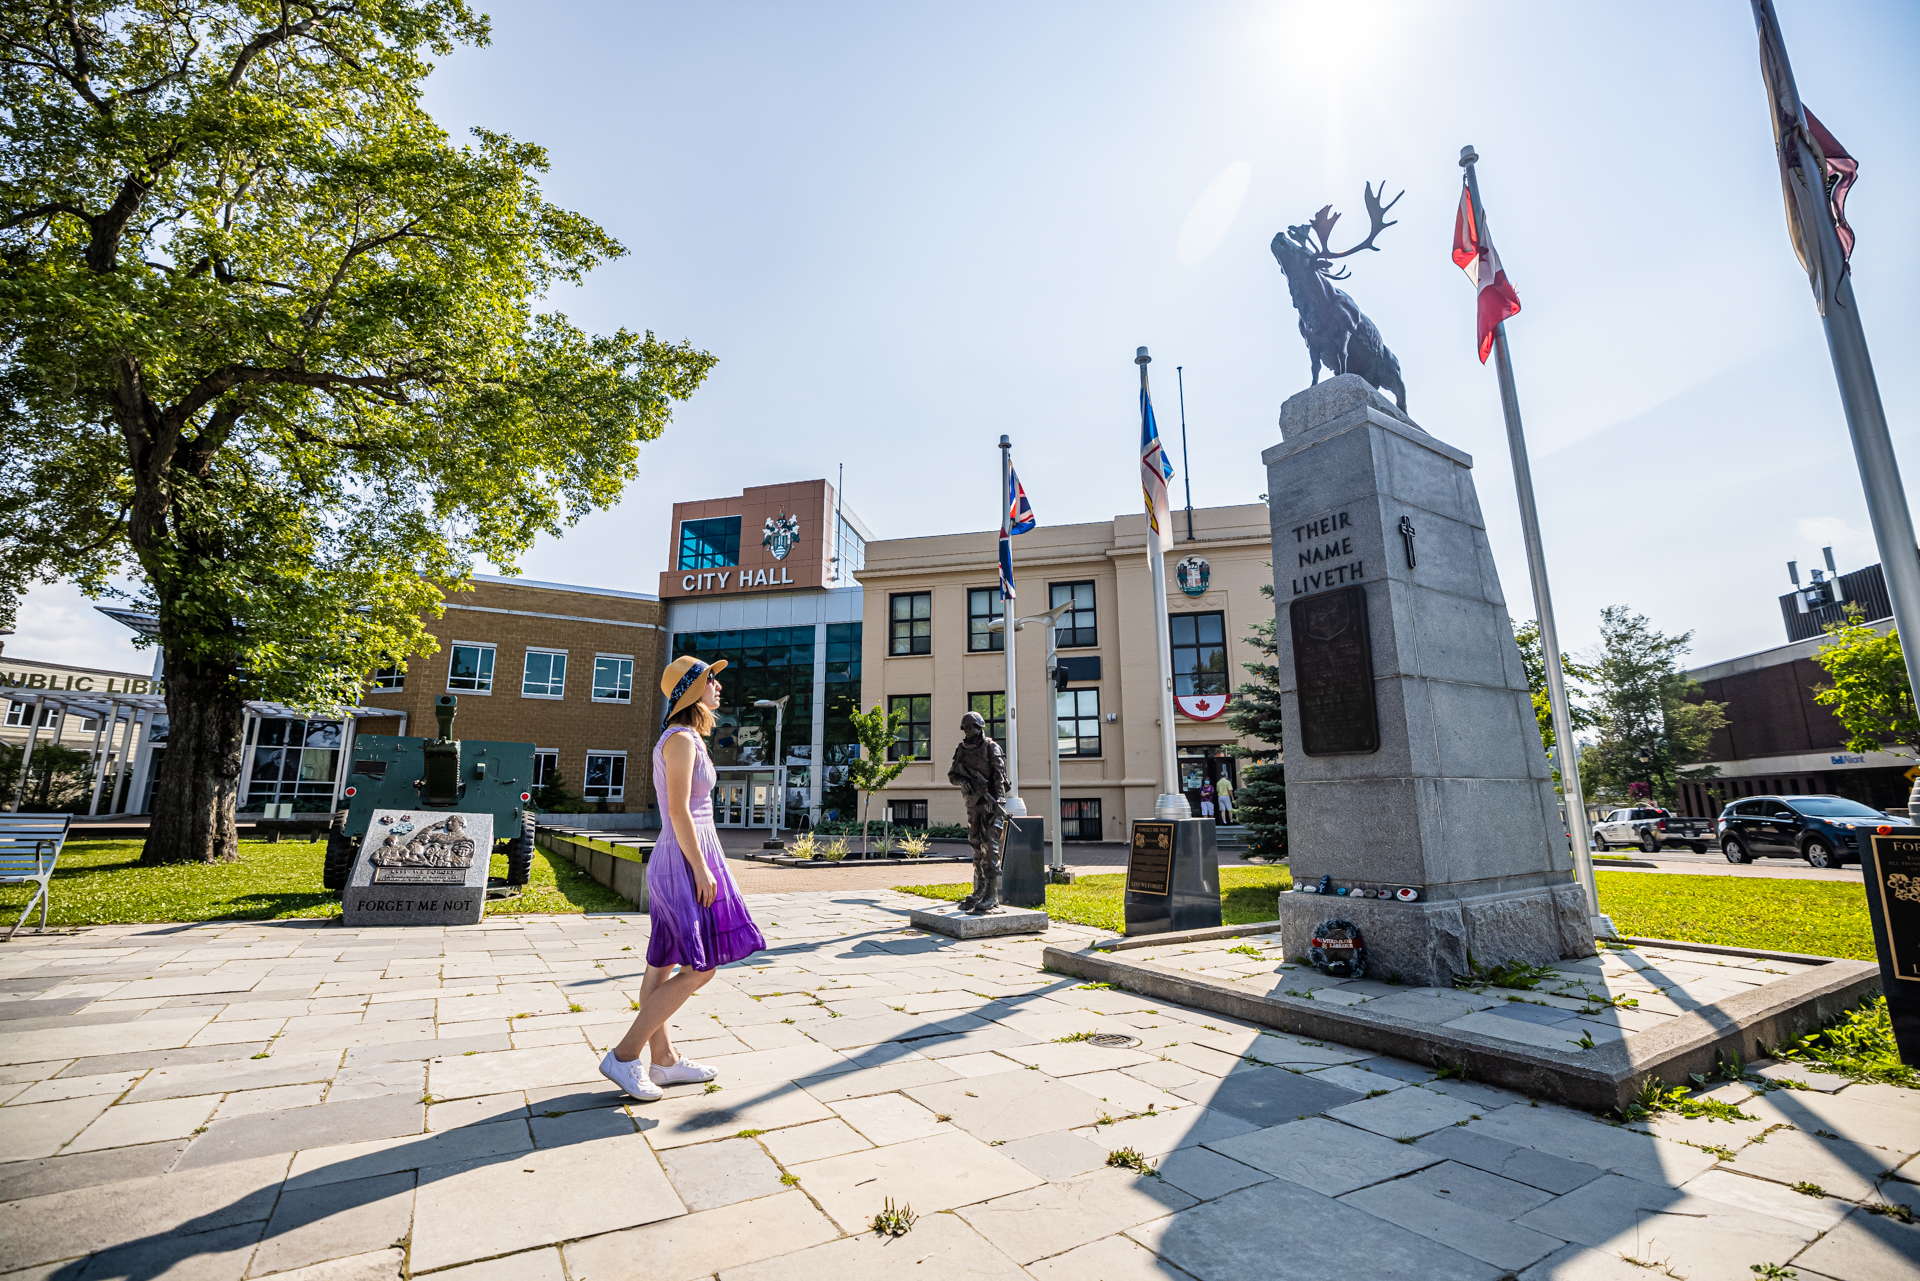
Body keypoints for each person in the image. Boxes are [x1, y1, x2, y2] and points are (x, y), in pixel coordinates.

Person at [599, 656, 767, 1101]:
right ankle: (625, 1055)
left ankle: (665, 1062)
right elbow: (677, 810)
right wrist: (701, 866)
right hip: (682, 857)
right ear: (692, 690)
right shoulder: (680, 741)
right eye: (712, 680)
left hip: (689, 852)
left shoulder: (688, 739)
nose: (719, 688)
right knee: (701, 966)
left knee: (664, 962)